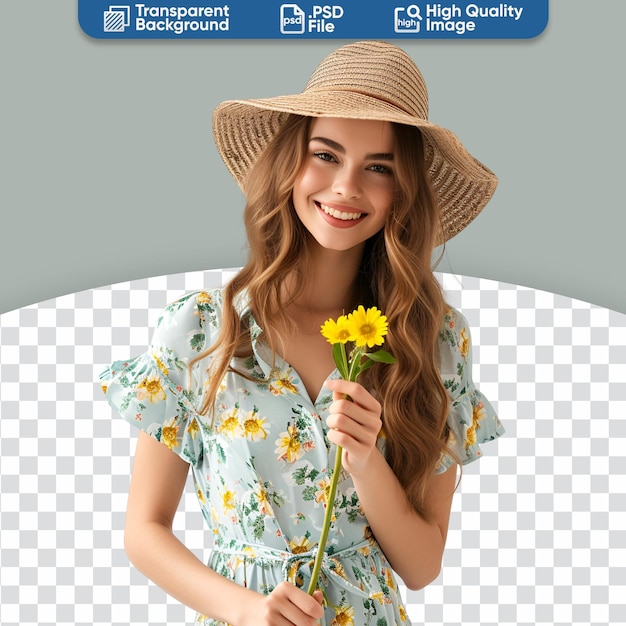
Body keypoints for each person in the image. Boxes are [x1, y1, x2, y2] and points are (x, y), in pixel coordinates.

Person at [100, 41, 505, 626]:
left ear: (403, 192)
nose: (345, 187)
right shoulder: (204, 331)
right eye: (326, 154)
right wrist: (242, 608)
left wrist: (366, 460)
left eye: (379, 167)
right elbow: (144, 530)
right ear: (291, 161)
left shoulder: (431, 340)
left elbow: (421, 566)